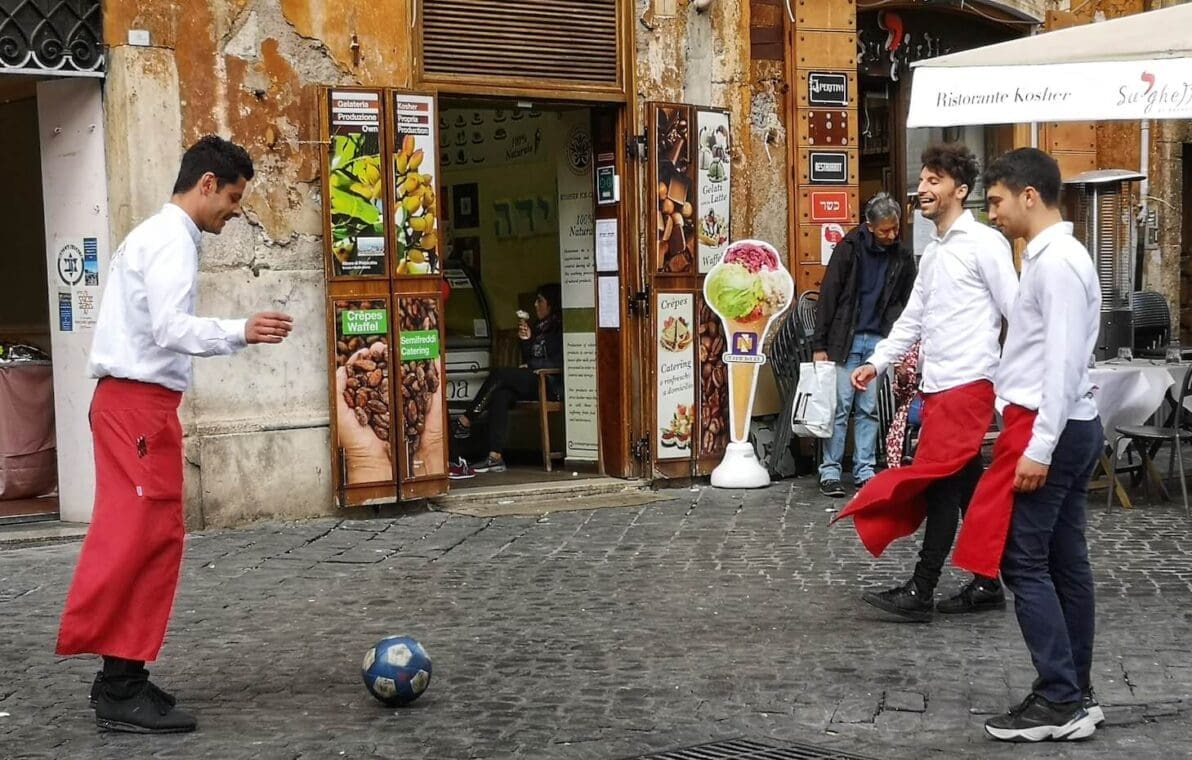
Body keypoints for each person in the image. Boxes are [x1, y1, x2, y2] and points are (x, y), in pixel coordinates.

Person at [55, 136, 293, 733]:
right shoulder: (171, 242)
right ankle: (119, 687)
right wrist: (241, 329)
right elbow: (168, 327)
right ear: (207, 183)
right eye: (234, 198)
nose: (236, 211)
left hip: (137, 407)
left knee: (149, 537)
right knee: (139, 539)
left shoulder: (158, 236)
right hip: (136, 408)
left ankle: (123, 675)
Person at [831, 143, 1018, 622]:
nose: (922, 189)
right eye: (922, 180)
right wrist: (878, 361)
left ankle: (922, 588)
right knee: (966, 485)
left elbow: (1017, 312)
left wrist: (1012, 379)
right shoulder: (933, 252)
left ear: (960, 190)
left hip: (969, 386)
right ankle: (989, 579)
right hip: (938, 388)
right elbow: (913, 319)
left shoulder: (985, 245)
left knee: (937, 486)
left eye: (933, 181)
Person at [954, 148, 1103, 742]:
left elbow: (1063, 362)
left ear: (1028, 196)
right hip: (1057, 424)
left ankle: (1060, 695)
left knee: (1023, 560)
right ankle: (1076, 692)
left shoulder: (1057, 262)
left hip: (1053, 427)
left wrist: (1039, 445)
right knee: (1065, 561)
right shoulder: (1051, 257)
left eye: (995, 201)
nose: (992, 214)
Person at [812, 192, 916, 498]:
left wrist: (900, 340)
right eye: (884, 229)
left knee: (868, 408)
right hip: (846, 339)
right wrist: (821, 344)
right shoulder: (849, 248)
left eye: (894, 228)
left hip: (879, 341)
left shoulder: (902, 256)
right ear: (869, 226)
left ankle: (864, 470)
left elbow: (909, 300)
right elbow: (829, 294)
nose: (891, 234)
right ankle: (830, 470)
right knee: (840, 407)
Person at [451, 283, 563, 475]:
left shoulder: (559, 329)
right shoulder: (538, 327)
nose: (536, 305)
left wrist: (533, 366)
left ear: (551, 304)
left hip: (549, 383)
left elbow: (558, 360)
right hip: (533, 380)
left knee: (500, 374)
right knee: (502, 394)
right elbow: (530, 358)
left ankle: (467, 418)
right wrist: (527, 341)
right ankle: (495, 457)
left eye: (540, 301)